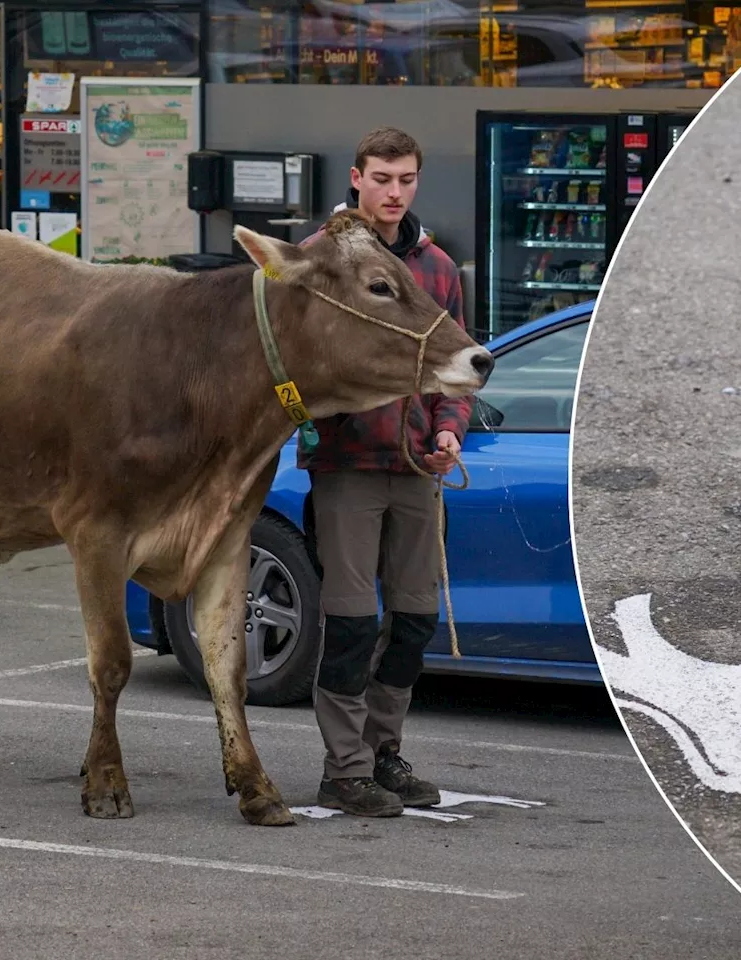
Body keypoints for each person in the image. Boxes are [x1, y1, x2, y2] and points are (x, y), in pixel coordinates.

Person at [296, 126, 470, 818]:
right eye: (382, 179)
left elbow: (452, 376)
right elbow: (279, 379)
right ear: (356, 178)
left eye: (406, 180)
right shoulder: (313, 261)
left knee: (417, 620)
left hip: (417, 471)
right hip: (346, 470)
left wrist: (450, 434)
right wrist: (307, 421)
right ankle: (344, 770)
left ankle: (382, 752)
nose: (394, 192)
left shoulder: (439, 269)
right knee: (348, 624)